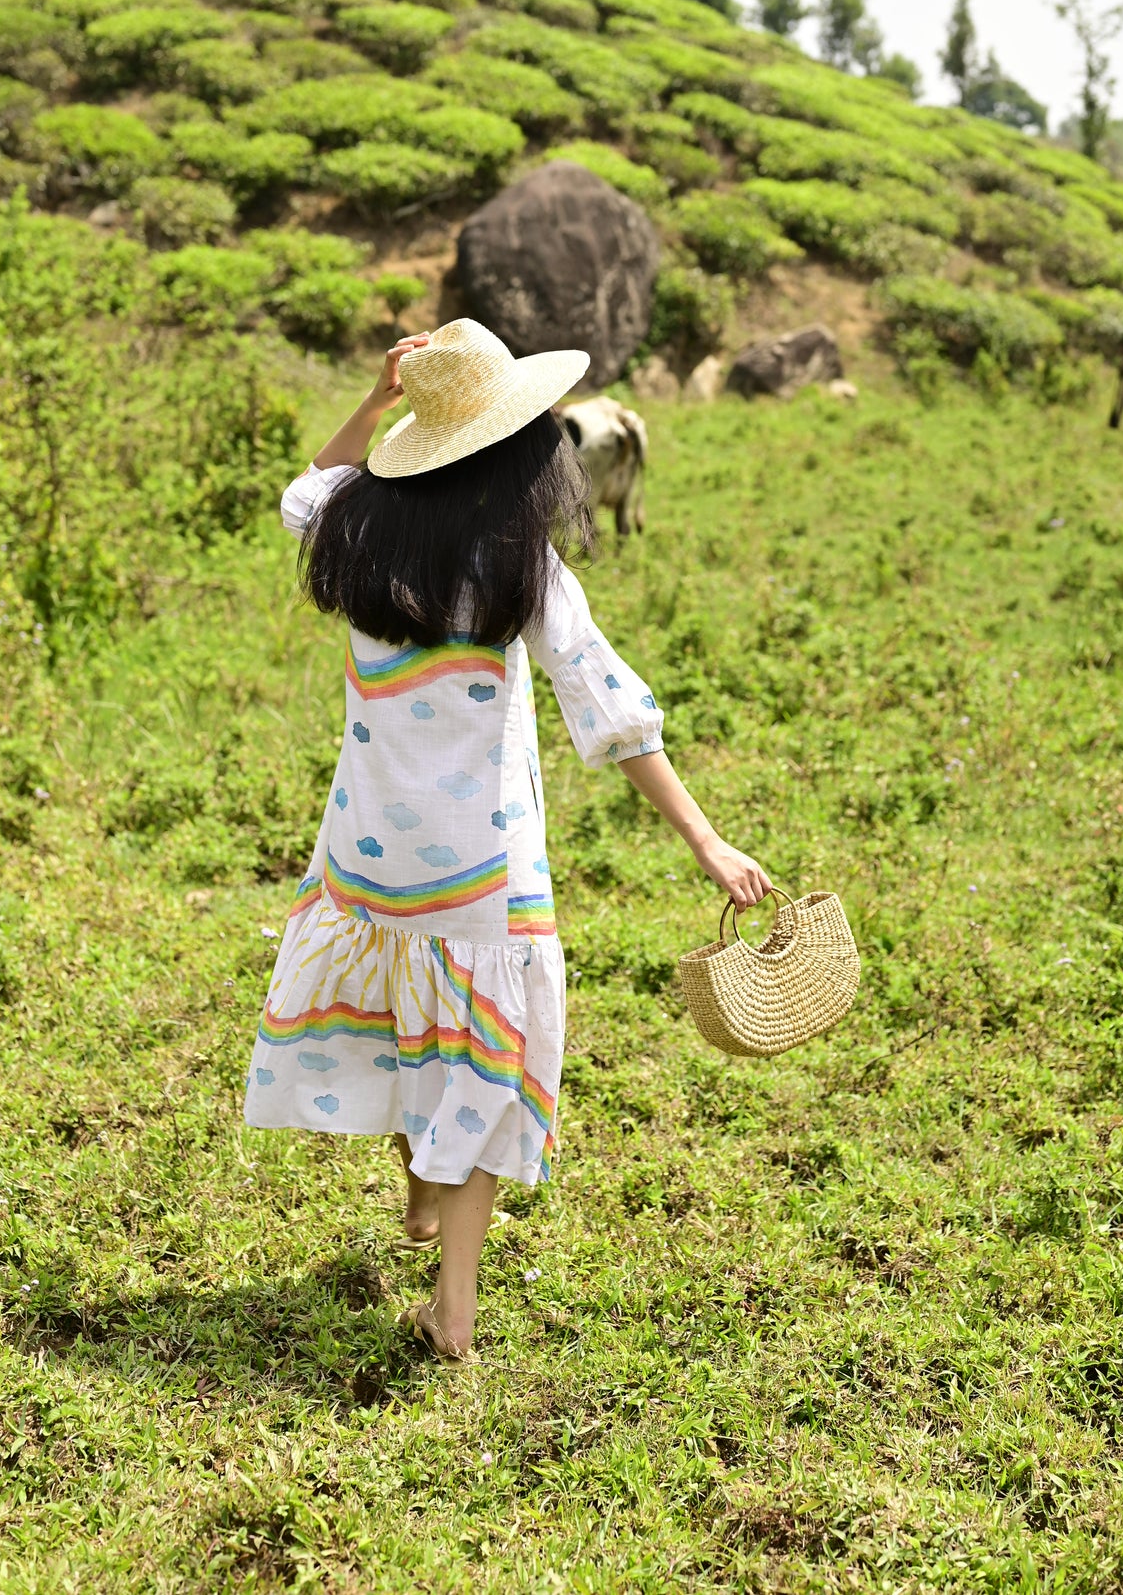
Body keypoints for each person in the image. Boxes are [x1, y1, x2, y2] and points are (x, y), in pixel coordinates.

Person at [245, 318, 771, 1361]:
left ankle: (416, 1194)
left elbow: (300, 492)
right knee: (482, 1064)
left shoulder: (355, 529)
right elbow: (610, 711)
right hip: (478, 870)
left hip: (365, 858)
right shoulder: (517, 563)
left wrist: (378, 396)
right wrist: (705, 840)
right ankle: (454, 1310)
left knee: (403, 1012)